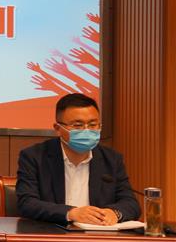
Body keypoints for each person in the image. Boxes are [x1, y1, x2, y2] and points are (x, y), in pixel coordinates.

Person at [16, 93, 139, 225]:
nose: (86, 131)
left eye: (93, 125)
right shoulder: (34, 157)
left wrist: (114, 213)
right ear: (58, 129)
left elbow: (131, 203)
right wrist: (71, 213)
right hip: (53, 233)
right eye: (77, 125)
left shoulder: (111, 159)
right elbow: (27, 203)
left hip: (99, 234)